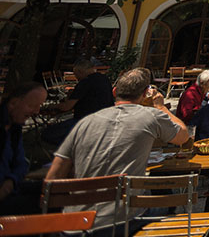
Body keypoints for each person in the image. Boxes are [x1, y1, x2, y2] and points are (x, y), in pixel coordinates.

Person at [46, 69, 189, 230]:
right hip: (121, 222)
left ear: (114, 92)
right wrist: (161, 107)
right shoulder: (151, 116)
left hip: (75, 223)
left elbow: (54, 176)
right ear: (145, 94)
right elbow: (183, 137)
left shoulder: (85, 123)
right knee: (166, 201)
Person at [0, 82, 48, 215]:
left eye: (39, 106)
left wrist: (10, 182)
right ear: (13, 103)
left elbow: (21, 164)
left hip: (10, 187)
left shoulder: (14, 127)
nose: (36, 111)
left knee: (55, 193)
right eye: (32, 106)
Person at [41, 59, 114, 145]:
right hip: (105, 120)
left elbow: (66, 107)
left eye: (76, 74)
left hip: (85, 121)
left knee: (47, 134)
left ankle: (70, 150)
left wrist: (51, 106)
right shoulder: (104, 79)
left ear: (80, 71)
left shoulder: (85, 82)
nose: (76, 77)